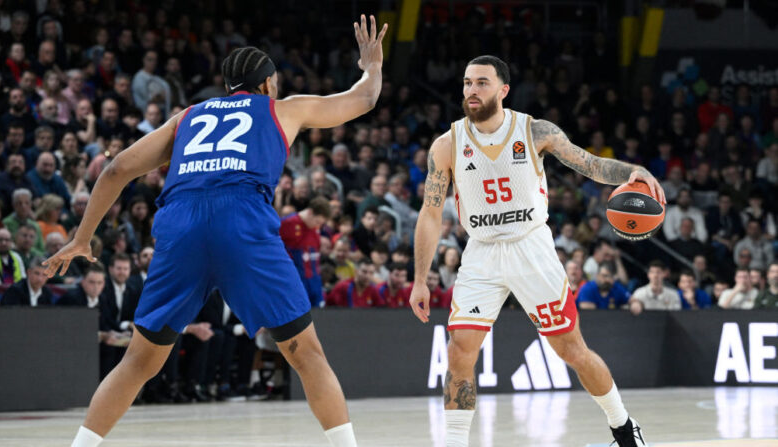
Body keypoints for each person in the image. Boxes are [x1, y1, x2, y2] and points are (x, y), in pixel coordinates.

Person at [44, 16, 387, 447]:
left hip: (181, 223)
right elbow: (365, 97)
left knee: (139, 360)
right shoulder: (284, 108)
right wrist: (371, 64)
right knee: (305, 354)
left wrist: (81, 237)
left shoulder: (186, 116)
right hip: (241, 220)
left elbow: (116, 169)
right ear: (266, 86)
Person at [410, 56, 662, 447]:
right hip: (481, 253)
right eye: (466, 83)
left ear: (503, 90)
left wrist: (633, 171)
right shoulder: (447, 144)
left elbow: (590, 164)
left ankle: (624, 428)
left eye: (481, 83)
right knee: (459, 349)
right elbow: (429, 213)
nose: (471, 90)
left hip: (531, 248)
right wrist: (420, 278)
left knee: (572, 350)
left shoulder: (534, 130)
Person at [279, 197, 331, 307]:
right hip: (295, 281)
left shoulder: (315, 228)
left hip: (314, 281)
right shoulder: (288, 223)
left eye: (321, 224)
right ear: (310, 212)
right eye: (317, 222)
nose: (318, 226)